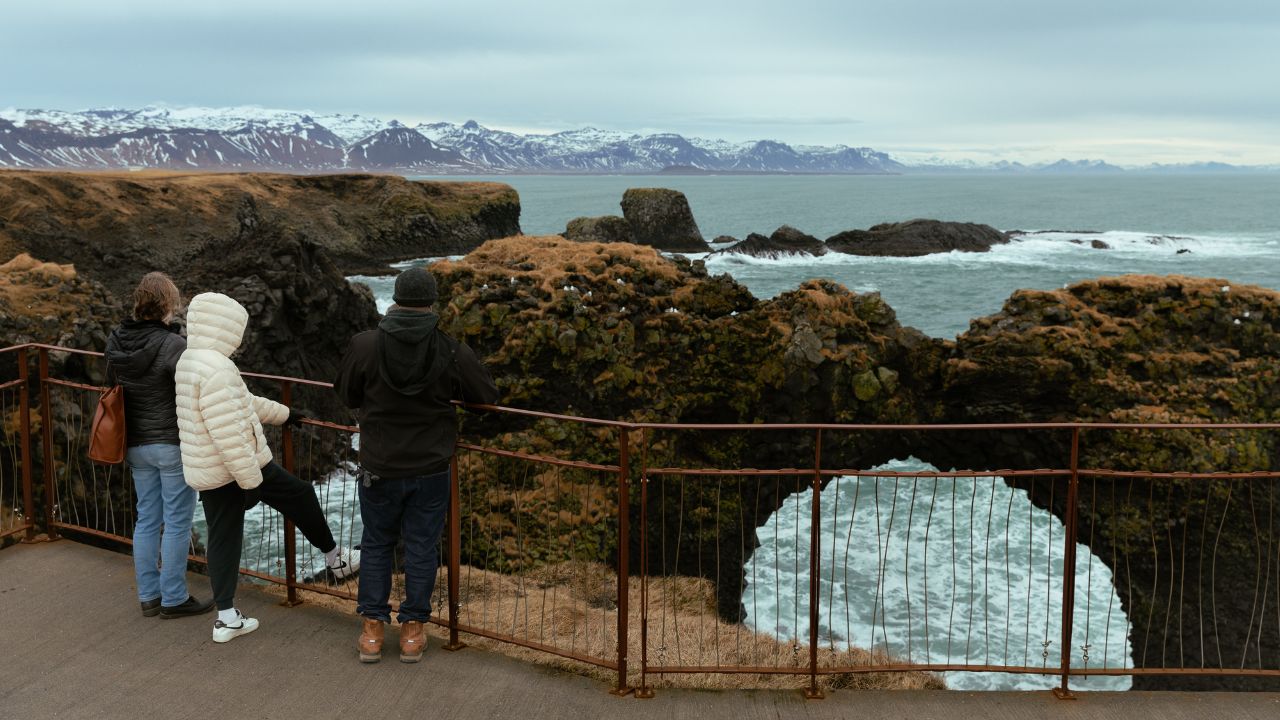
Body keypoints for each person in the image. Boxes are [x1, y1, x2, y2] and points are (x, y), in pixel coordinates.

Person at [334, 266, 498, 663]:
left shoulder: (365, 345)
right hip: (430, 467)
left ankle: (372, 632)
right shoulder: (451, 350)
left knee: (376, 544)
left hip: (379, 464)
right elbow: (485, 398)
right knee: (422, 547)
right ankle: (412, 631)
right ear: (431, 302)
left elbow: (347, 394)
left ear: (396, 299)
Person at [175, 291, 359, 643]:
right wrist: (250, 482)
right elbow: (230, 434)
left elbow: (243, 404)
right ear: (227, 328)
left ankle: (227, 618)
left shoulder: (191, 359)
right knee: (300, 495)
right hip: (235, 468)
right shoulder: (218, 369)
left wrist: (285, 414)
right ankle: (337, 559)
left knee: (223, 538)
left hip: (208, 468)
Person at [105, 272, 215, 619]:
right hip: (170, 444)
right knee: (177, 522)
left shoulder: (115, 340)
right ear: (169, 305)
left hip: (135, 444)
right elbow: (191, 390)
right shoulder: (173, 345)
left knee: (147, 519)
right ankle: (174, 598)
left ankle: (150, 596)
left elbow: (111, 386)